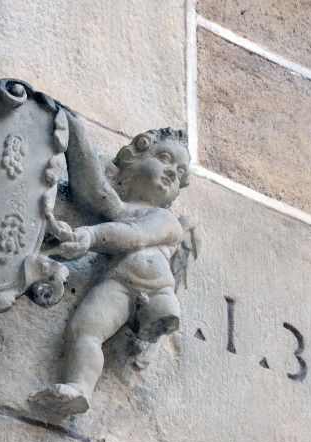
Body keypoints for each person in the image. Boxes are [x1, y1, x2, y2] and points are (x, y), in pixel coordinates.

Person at [31, 113, 198, 415]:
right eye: (164, 158)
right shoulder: (124, 208)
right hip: (117, 284)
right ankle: (79, 388)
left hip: (154, 288)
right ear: (133, 158)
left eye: (180, 172)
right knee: (84, 330)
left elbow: (133, 237)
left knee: (94, 328)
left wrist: (90, 236)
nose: (172, 172)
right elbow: (100, 194)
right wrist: (74, 136)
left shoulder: (165, 219)